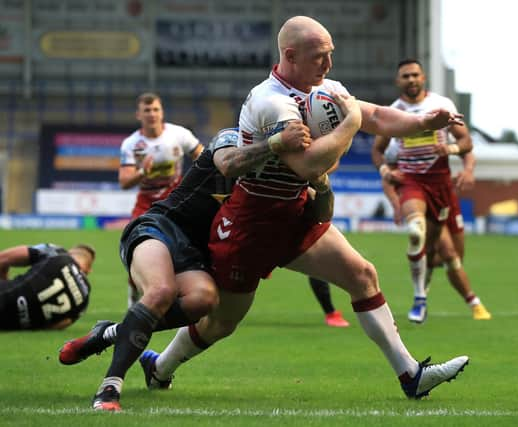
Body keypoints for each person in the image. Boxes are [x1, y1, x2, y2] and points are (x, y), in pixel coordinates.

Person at [139, 16, 469, 404]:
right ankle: (159, 366)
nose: (328, 65)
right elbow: (309, 165)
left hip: (295, 212)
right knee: (222, 323)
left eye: (331, 55)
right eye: (320, 57)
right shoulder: (271, 100)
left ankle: (411, 375)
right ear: (290, 56)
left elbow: (376, 116)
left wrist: (423, 121)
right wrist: (351, 125)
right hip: (251, 223)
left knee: (362, 274)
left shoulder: (323, 88)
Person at [58, 124, 314, 411]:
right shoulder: (231, 140)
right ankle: (109, 388)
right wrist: (275, 144)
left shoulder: (283, 178)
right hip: (161, 226)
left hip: (194, 253)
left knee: (203, 300)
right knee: (161, 291)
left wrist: (322, 186)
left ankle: (108, 334)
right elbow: (228, 164)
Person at [372, 58, 491, 323]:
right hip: (412, 182)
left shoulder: (441, 106)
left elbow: (466, 142)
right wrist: (388, 178)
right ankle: (422, 298)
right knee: (418, 233)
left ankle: (436, 287)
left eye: (415, 75)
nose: (411, 80)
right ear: (398, 81)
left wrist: (451, 151)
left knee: (449, 256)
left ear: (423, 78)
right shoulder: (393, 112)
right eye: (405, 76)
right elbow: (378, 152)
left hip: (441, 185)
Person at [119, 92, 204, 307]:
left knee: (189, 247)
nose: (152, 114)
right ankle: (134, 293)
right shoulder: (132, 144)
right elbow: (124, 181)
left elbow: (204, 159)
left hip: (176, 201)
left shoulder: (179, 134)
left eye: (155, 109)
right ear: (139, 114)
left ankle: (188, 294)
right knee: (137, 251)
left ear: (162, 112)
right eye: (147, 110)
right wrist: (141, 172)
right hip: (146, 204)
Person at [0, 243, 95, 330]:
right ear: (88, 270)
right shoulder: (83, 302)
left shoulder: (57, 253)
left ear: (70, 252)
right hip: (7, 325)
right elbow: (55, 327)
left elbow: (3, 258)